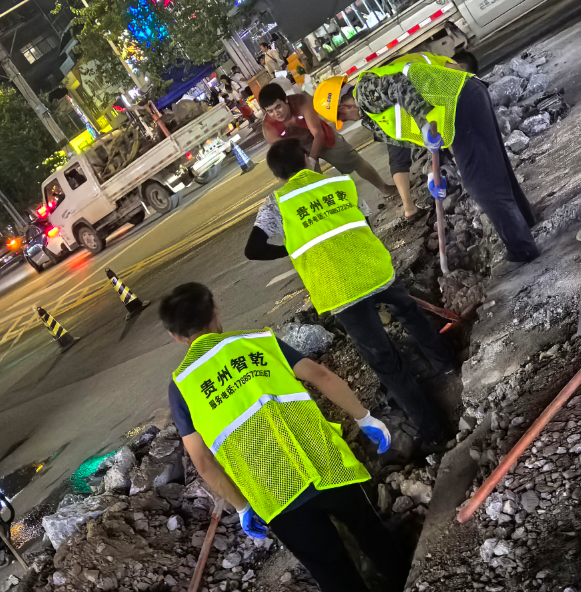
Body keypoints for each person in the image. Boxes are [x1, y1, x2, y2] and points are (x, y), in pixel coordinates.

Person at [160, 282, 409, 592]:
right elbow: (321, 376)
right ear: (215, 312)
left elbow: (202, 461)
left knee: (331, 571)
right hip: (327, 466)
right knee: (373, 536)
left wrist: (242, 507)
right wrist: (364, 417)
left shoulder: (181, 387)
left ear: (176, 336)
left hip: (276, 495)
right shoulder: (259, 342)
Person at [245, 138, 456, 444]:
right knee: (411, 315)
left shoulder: (276, 204)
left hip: (339, 290)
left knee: (384, 360)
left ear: (278, 176)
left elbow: (253, 249)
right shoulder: (339, 183)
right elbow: (364, 223)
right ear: (307, 158)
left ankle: (434, 431)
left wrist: (291, 248)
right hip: (374, 269)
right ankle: (447, 365)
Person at [313, 53, 539, 264]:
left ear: (342, 106)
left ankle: (522, 249)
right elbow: (416, 137)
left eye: (343, 117)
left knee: (480, 183)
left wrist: (423, 123)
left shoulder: (364, 93)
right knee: (493, 167)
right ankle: (527, 222)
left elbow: (401, 87)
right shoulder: (372, 109)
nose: (348, 120)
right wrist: (434, 172)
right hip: (463, 97)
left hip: (458, 101)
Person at [258, 82, 393, 198]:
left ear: (286, 100)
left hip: (323, 138)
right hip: (298, 151)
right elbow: (284, 155)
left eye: (278, 107)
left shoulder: (301, 102)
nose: (276, 113)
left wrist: (312, 159)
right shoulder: (269, 128)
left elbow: (318, 133)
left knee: (355, 161)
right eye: (270, 111)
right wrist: (305, 166)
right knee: (313, 185)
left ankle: (384, 188)